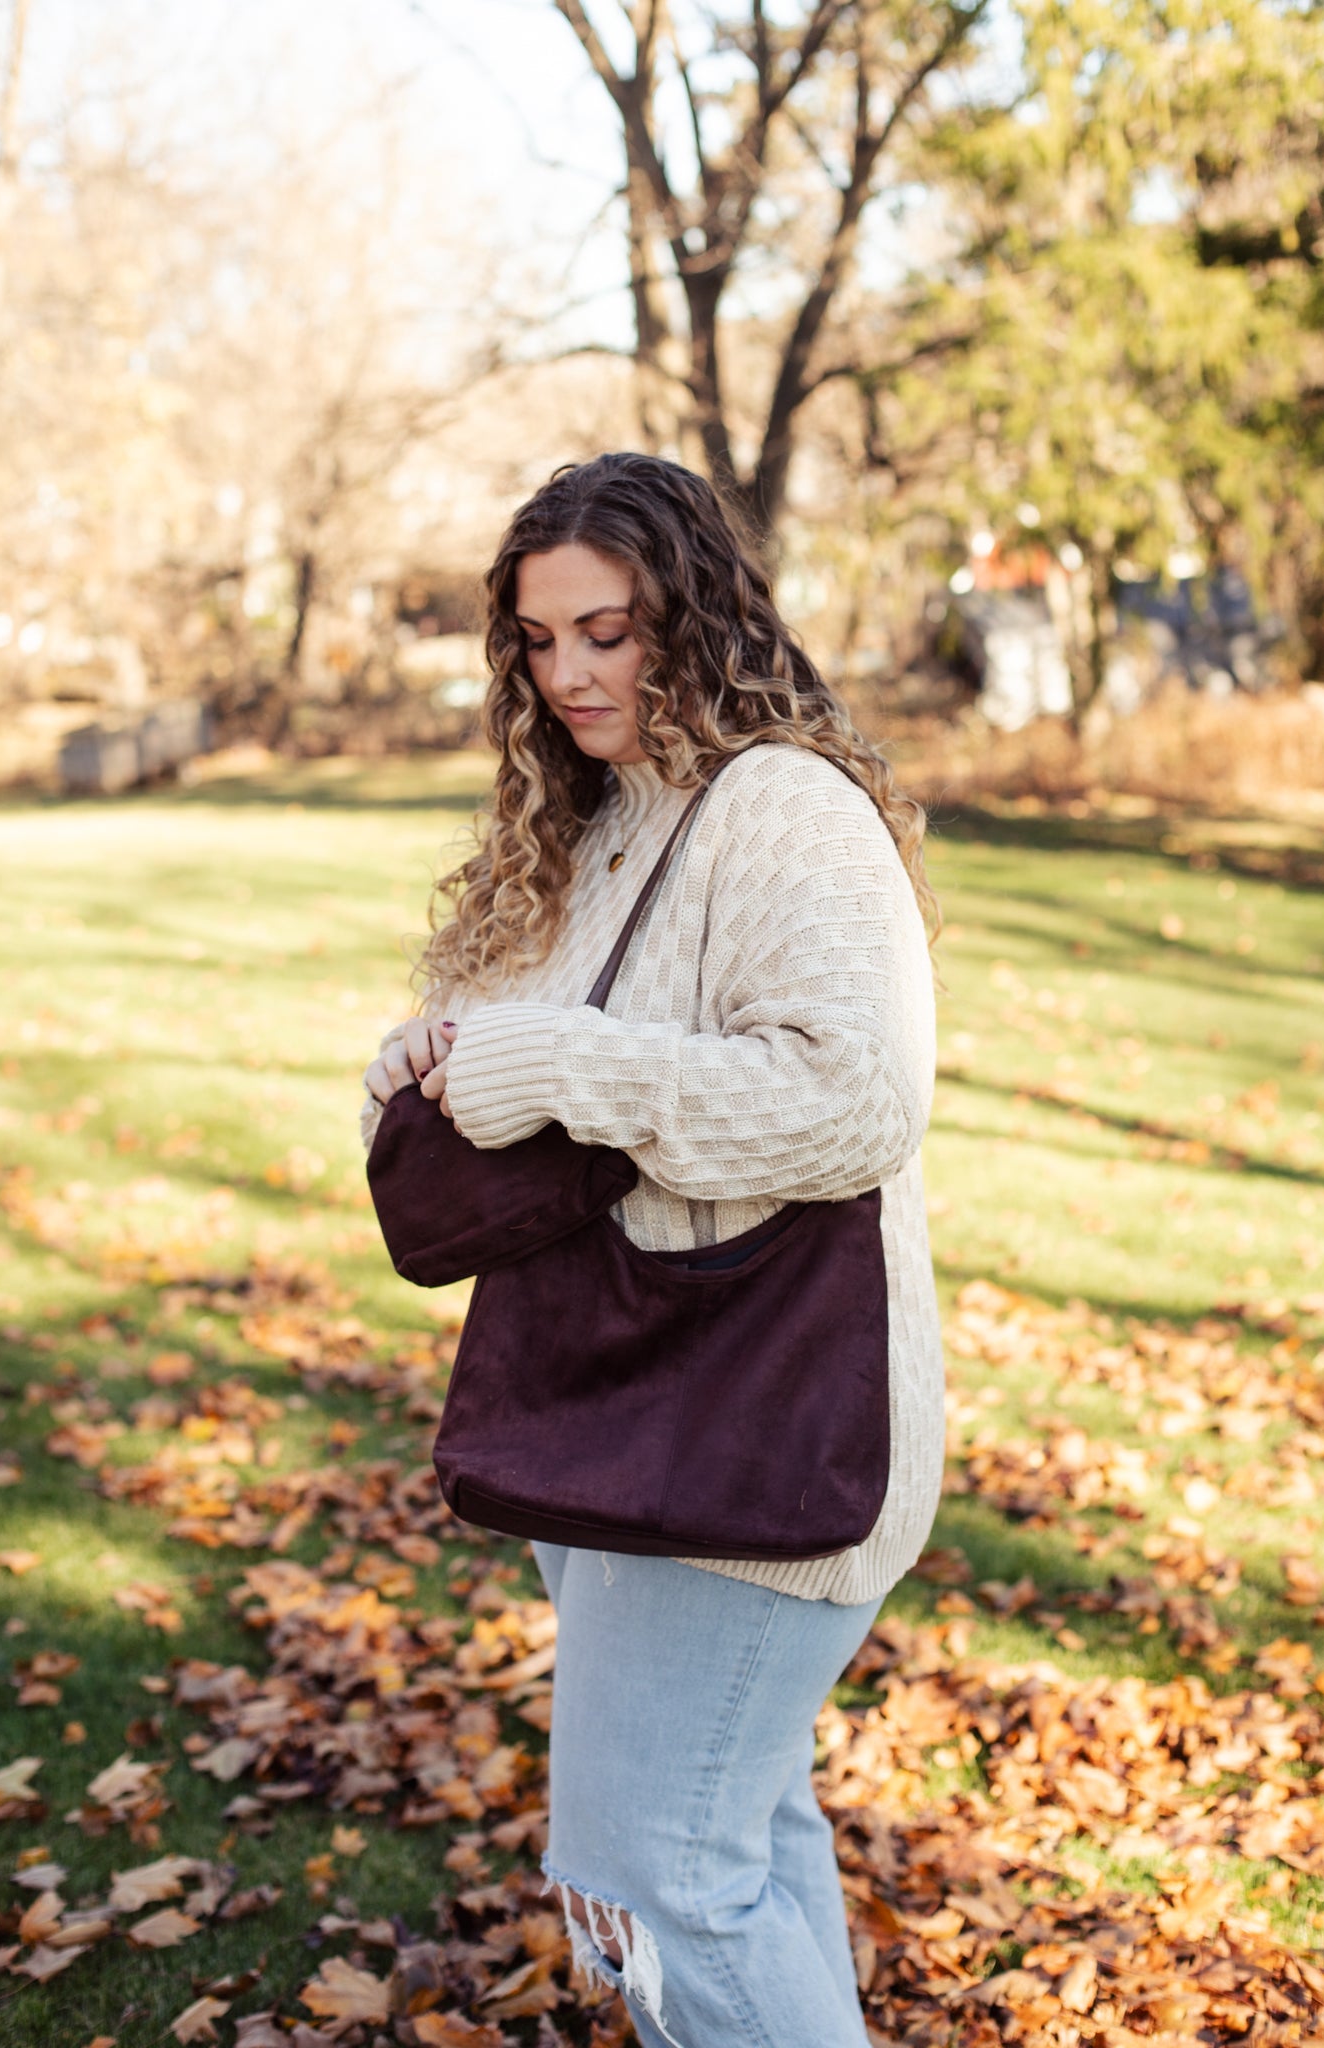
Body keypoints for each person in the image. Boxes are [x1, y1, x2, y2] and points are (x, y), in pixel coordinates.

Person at [362, 452, 942, 2048]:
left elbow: (856, 1103)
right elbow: (529, 1059)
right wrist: (432, 1060)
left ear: (694, 615)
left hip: (757, 1430)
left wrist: (553, 1067)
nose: (569, 679)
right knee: (738, 1844)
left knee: (648, 1883)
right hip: (626, 1409)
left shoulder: (782, 810)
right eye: (539, 645)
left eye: (607, 633)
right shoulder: (600, 819)